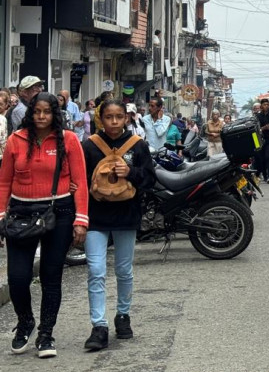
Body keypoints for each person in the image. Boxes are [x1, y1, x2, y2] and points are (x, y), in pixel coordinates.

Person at [0, 92, 89, 357]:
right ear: (30, 113)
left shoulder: (68, 140)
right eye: (37, 112)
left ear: (55, 114)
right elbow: (4, 182)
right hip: (20, 213)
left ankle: (46, 334)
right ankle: (25, 322)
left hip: (59, 212)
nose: (41, 117)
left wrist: (81, 219)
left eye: (47, 112)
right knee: (17, 277)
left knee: (52, 276)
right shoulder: (16, 141)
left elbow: (80, 181)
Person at [80, 99, 154, 351]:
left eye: (119, 117)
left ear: (127, 118)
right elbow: (79, 181)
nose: (114, 122)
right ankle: (98, 325)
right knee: (96, 271)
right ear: (101, 118)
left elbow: (150, 180)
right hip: (95, 217)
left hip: (126, 216)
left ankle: (123, 316)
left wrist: (130, 172)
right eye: (109, 117)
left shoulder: (138, 146)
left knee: (124, 270)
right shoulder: (89, 147)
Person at [0, 89, 9, 157]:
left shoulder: (3, 118)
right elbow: (2, 139)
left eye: (0, 104)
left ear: (6, 105)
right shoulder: (2, 119)